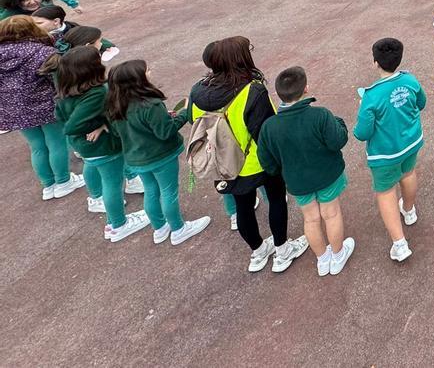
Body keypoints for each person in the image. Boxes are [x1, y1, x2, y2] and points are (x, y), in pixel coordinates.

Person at [188, 36, 306, 273]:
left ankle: (258, 251)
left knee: (243, 206)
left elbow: (194, 122)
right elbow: (267, 130)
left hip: (224, 162)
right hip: (257, 160)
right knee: (276, 200)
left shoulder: (197, 92)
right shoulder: (252, 90)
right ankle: (282, 249)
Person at [256, 66, 354, 277]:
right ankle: (338, 255)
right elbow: (338, 140)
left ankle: (322, 259)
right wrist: (339, 122)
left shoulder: (269, 126)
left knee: (310, 219)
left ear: (279, 94)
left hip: (297, 181)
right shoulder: (320, 115)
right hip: (327, 175)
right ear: (306, 88)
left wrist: (280, 171)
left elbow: (266, 161)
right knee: (331, 213)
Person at [105, 59, 211, 246]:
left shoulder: (114, 105)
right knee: (169, 192)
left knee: (151, 191)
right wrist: (184, 114)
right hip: (161, 156)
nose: (150, 72)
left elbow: (118, 131)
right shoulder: (150, 104)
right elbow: (165, 132)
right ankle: (179, 229)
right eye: (146, 71)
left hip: (136, 158)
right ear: (137, 79)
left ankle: (159, 227)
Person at [52, 46, 150, 241]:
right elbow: (72, 126)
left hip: (86, 148)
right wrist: (101, 124)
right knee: (113, 184)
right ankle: (118, 224)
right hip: (103, 147)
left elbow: (61, 118)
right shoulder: (97, 92)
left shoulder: (66, 91)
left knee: (94, 170)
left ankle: (96, 198)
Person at [353, 37, 425, 265]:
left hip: (384, 154)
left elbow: (362, 132)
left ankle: (399, 243)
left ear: (375, 63)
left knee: (385, 193)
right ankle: (410, 210)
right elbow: (421, 103)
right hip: (411, 142)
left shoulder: (371, 96)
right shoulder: (410, 80)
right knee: (409, 173)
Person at [0, 15, 84, 198]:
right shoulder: (43, 51)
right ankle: (63, 181)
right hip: (45, 104)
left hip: (14, 108)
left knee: (36, 146)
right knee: (56, 142)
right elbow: (56, 80)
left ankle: (48, 185)